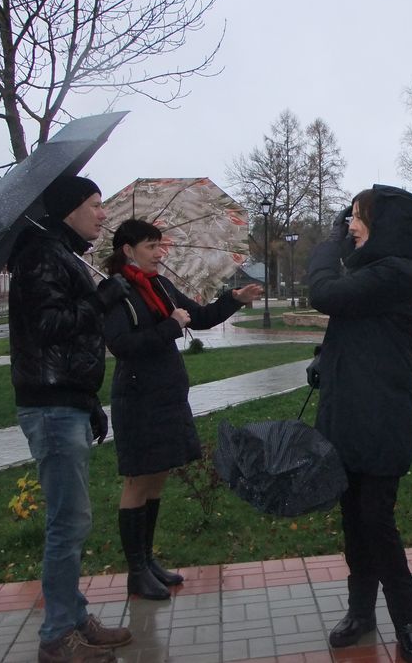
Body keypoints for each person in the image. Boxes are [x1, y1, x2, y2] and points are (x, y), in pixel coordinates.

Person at [101, 219, 263, 600]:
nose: (160, 253)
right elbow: (121, 345)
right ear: (128, 250)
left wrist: (234, 299)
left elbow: (200, 317)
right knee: (138, 480)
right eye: (151, 246)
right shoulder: (115, 292)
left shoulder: (159, 285)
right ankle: (135, 571)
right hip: (138, 396)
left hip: (167, 394)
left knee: (157, 476)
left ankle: (148, 560)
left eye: (160, 245)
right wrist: (171, 327)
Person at [8, 175, 133, 663]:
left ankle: (75, 617)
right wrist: (101, 300)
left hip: (67, 401)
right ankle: (58, 636)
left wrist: (88, 400)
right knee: (67, 522)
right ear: (70, 209)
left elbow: (67, 343)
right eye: (96, 205)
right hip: (49, 406)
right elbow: (47, 328)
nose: (103, 214)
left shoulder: (62, 253)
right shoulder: (42, 256)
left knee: (74, 519)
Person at [307, 185, 412, 663]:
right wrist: (326, 357)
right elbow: (353, 325)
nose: (350, 225)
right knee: (353, 522)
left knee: (377, 521)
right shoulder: (373, 272)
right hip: (350, 414)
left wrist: (328, 246)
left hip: (382, 419)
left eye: (357, 217)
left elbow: (325, 294)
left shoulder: (394, 273)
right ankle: (361, 613)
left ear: (382, 226)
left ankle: (407, 622)